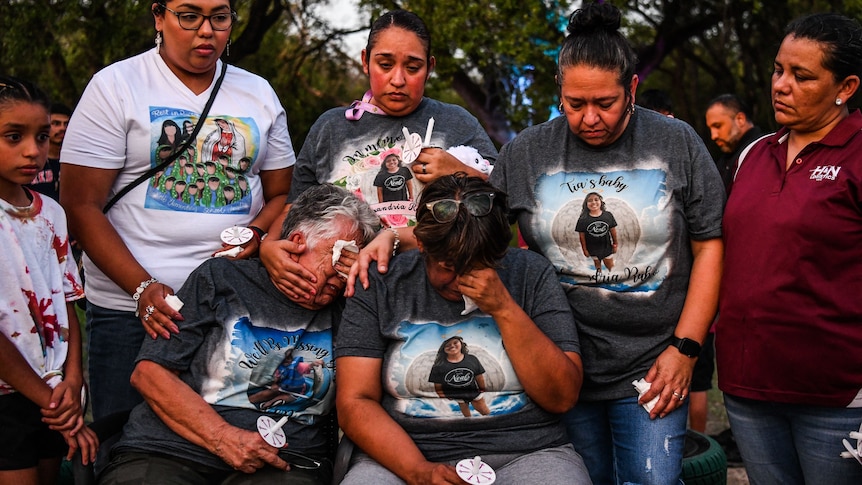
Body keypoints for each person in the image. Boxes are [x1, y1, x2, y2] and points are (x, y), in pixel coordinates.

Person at [489, 3, 725, 484]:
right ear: (559, 91)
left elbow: (710, 246)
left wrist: (685, 348)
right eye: (574, 104)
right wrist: (394, 239)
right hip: (563, 364)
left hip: (652, 363)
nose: (589, 118)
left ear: (632, 89)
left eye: (605, 103)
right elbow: (480, 231)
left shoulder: (676, 142)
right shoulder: (526, 152)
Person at [59, 0, 295, 421]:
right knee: (126, 443)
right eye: (189, 16)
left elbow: (283, 193)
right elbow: (80, 205)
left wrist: (256, 234)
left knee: (227, 436)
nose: (206, 31)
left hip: (230, 305)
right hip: (130, 311)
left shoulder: (258, 92)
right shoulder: (117, 85)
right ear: (159, 16)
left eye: (219, 18)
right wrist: (141, 290)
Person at [99, 184, 379, 485]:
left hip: (285, 462)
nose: (343, 272)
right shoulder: (222, 277)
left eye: (354, 260)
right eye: (340, 255)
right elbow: (150, 374)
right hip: (171, 449)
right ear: (297, 241)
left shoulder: (354, 305)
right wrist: (222, 437)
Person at [335, 174, 591, 485]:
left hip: (527, 452)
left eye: (479, 266)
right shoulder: (381, 281)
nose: (461, 282)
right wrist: (419, 471)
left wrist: (504, 308)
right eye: (448, 267)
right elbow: (355, 401)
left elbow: (562, 397)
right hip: (404, 456)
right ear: (422, 245)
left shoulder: (531, 274)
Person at [261, 9, 498, 303]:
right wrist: (269, 244)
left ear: (430, 66)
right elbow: (295, 206)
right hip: (348, 299)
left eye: (413, 68)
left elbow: (502, 201)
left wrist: (459, 169)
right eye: (385, 64)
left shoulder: (456, 124)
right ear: (364, 61)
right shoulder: (331, 128)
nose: (397, 79)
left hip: (434, 293)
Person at [716, 12, 862, 484]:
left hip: (835, 396)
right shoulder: (752, 155)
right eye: (779, 70)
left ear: (846, 86)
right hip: (746, 386)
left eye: (802, 76)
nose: (781, 85)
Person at [0, 75, 98, 484]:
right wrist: (57, 408)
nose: (33, 150)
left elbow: (66, 306)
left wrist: (72, 383)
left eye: (41, 137)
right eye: (13, 136)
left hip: (54, 390)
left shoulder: (53, 214)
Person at [704, 93, 763, 192]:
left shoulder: (763, 151)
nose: (713, 136)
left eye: (718, 126)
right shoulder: (726, 158)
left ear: (740, 119)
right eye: (710, 129)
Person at [428, 336, 490, 417]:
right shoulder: (439, 366)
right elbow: (437, 385)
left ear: (461, 343)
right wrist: (442, 395)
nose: (452, 346)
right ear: (443, 348)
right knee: (466, 413)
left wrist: (482, 388)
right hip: (456, 395)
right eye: (448, 345)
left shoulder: (472, 359)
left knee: (484, 410)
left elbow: (479, 376)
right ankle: (469, 424)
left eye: (455, 342)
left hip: (474, 392)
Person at [26, 103, 71, 201]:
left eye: (66, 124)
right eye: (56, 123)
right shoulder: (32, 159)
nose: (62, 128)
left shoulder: (73, 161)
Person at [575, 192, 618, 274]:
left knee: (610, 266)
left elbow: (613, 230)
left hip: (607, 247)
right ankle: (599, 276)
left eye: (596, 199)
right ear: (586, 204)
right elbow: (581, 236)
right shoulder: (583, 219)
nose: (593, 202)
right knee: (597, 264)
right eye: (590, 200)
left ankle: (613, 279)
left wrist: (615, 244)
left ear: (601, 201)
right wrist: (584, 250)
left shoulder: (608, 215)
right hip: (592, 249)